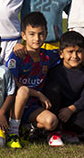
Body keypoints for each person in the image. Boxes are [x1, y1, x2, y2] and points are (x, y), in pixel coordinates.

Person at [6, 12, 62, 147]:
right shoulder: (17, 56)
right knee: (23, 90)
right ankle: (13, 133)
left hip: (32, 108)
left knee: (51, 121)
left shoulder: (48, 56)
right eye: (31, 34)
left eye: (41, 34)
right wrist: (38, 94)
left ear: (46, 34)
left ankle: (26, 127)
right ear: (23, 35)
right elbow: (12, 82)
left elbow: (67, 52)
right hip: (13, 105)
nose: (36, 38)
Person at [41, 31, 84, 144]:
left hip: (72, 110)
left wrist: (71, 109)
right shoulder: (54, 70)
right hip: (53, 109)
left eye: (79, 52)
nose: (74, 56)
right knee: (53, 90)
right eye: (70, 52)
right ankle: (52, 132)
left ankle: (67, 132)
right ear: (61, 53)